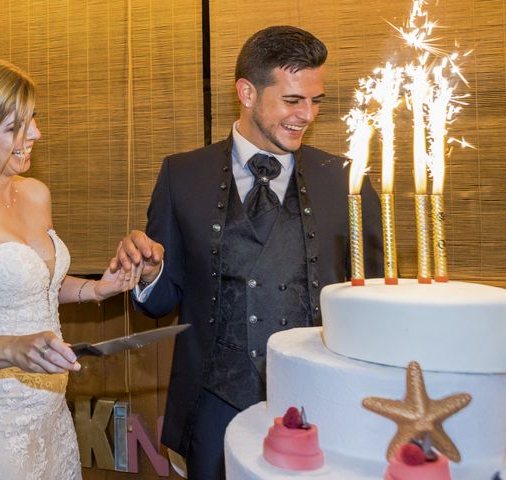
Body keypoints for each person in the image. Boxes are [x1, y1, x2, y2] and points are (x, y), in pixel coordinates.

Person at [112, 26, 384, 479]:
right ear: (247, 92)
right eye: (293, 100)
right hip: (215, 405)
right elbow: (159, 305)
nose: (307, 116)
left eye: (315, 101)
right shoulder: (182, 177)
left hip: (320, 402)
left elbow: (372, 303)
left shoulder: (348, 180)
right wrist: (148, 274)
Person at [0, 52, 139, 479]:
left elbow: (36, 285)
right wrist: (12, 348)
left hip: (51, 415)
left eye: (32, 118)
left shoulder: (35, 193)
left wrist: (94, 289)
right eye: (15, 127)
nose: (35, 133)